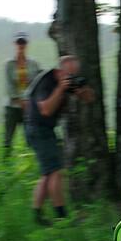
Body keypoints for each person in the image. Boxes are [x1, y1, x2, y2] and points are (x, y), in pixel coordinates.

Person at [25, 55, 95, 225]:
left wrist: (82, 89)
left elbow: (90, 99)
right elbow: (46, 110)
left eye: (74, 75)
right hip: (37, 129)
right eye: (69, 74)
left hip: (45, 130)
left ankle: (38, 215)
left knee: (47, 173)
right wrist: (60, 89)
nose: (70, 78)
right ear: (60, 70)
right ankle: (62, 217)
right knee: (56, 171)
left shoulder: (66, 82)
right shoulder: (47, 81)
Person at [3, 31, 41, 157]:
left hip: (29, 107)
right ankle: (6, 166)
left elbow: (38, 82)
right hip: (12, 107)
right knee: (8, 139)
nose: (21, 45)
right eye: (19, 42)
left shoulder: (33, 64)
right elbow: (9, 86)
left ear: (27, 44)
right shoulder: (9, 64)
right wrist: (20, 100)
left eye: (23, 42)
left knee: (29, 138)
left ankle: (29, 165)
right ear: (15, 44)